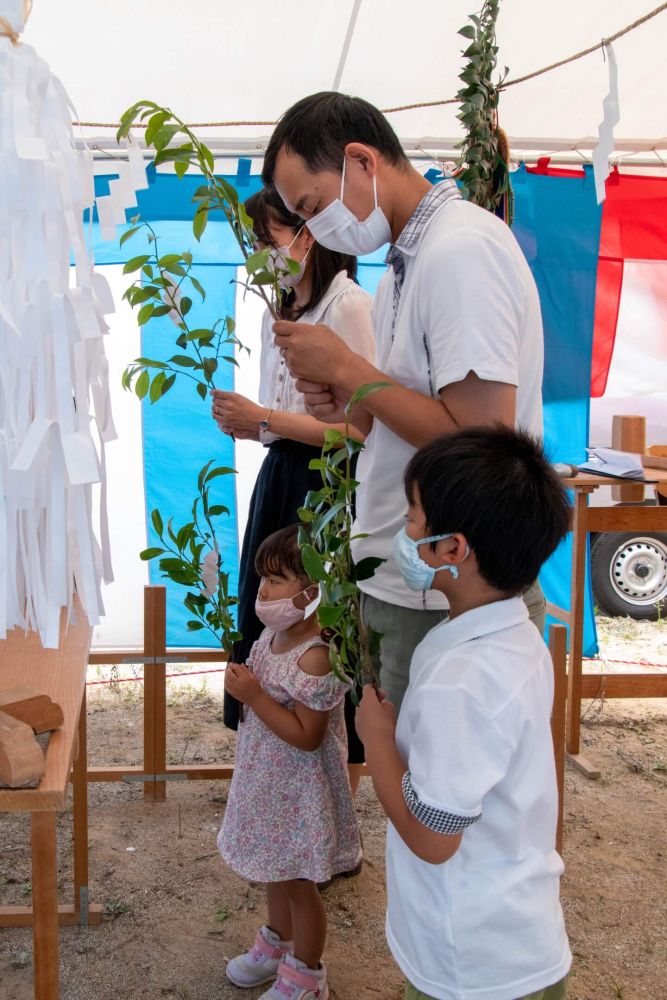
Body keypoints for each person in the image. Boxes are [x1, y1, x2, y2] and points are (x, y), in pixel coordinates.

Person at [262, 91, 546, 712]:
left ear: (361, 161)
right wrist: (346, 402)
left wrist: (348, 368)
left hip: (445, 587)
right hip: (410, 577)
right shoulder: (403, 267)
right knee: (414, 787)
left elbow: (483, 444)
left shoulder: (460, 253)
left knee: (437, 795)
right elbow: (397, 421)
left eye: (312, 206)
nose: (315, 231)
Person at [355, 425, 572, 1000]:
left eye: (412, 519)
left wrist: (376, 740)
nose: (405, 531)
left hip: (472, 966)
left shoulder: (465, 682)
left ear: (453, 549)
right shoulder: (515, 637)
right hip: (511, 936)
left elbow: (433, 837)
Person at [211, 186, 374, 791]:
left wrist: (266, 420)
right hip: (282, 475)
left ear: (309, 234)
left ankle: (334, 795)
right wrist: (250, 424)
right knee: (272, 611)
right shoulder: (276, 310)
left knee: (321, 623)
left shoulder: (347, 307)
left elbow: (358, 428)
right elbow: (278, 421)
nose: (261, 252)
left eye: (268, 238)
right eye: (255, 242)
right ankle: (273, 773)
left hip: (328, 482)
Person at [218, 524, 361, 1000]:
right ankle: (276, 947)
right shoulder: (269, 636)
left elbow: (306, 737)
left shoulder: (315, 656)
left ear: (313, 591)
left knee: (299, 883)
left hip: (300, 792)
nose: (264, 590)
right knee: (273, 869)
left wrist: (253, 695)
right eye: (262, 578)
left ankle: (306, 974)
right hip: (268, 783)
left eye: (277, 579)